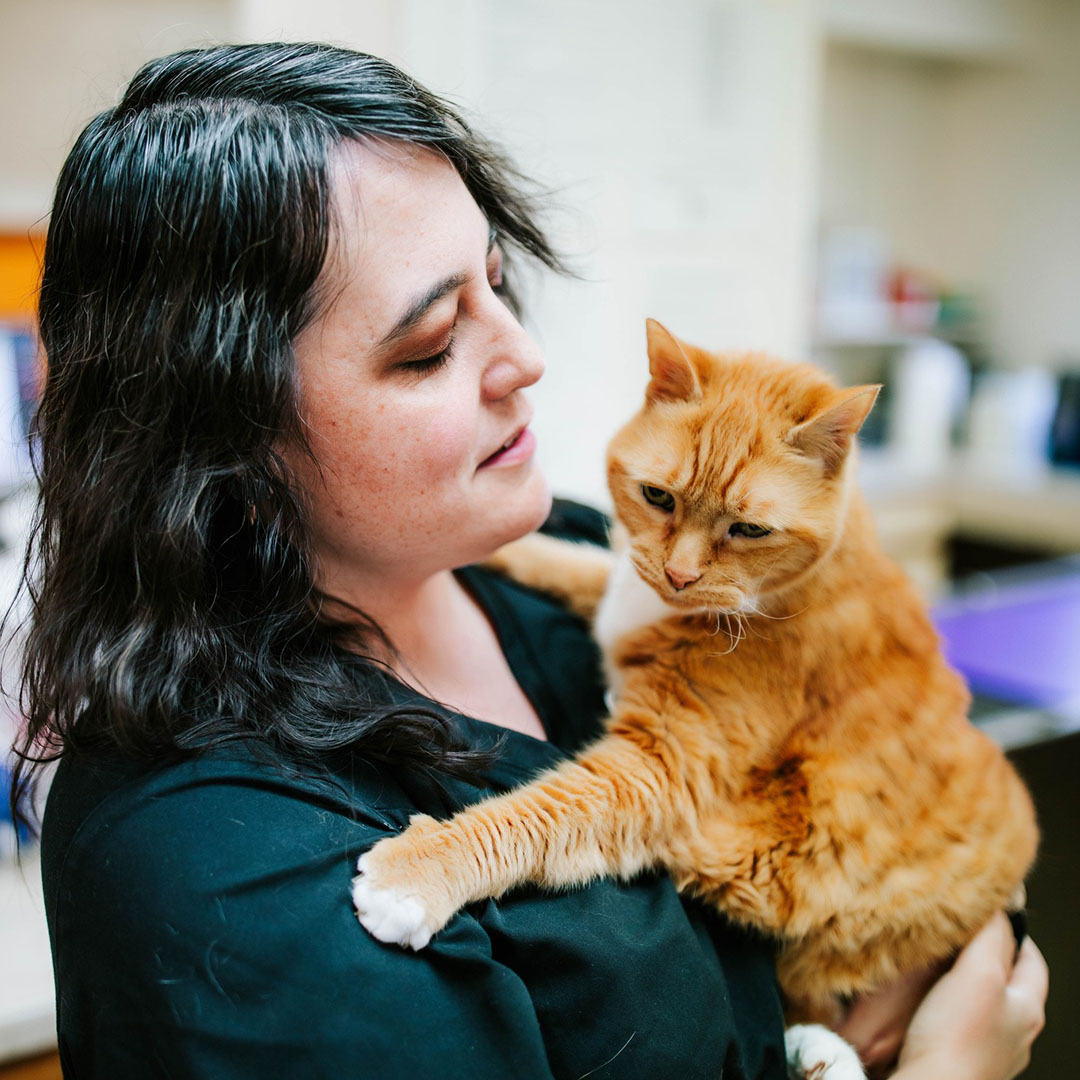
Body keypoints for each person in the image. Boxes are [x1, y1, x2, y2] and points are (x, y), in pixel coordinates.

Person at [11, 42, 1045, 1079]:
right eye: (428, 345)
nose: (524, 356)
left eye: (497, 285)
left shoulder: (587, 553)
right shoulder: (215, 868)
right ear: (217, 442)